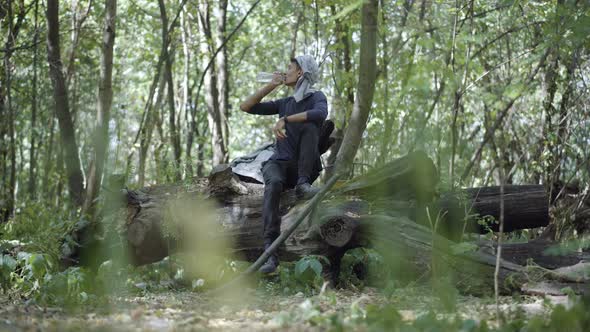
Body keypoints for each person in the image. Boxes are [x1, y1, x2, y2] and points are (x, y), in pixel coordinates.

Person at [239, 55, 328, 273]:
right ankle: (270, 253)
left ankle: (303, 184)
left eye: (290, 68)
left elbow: (320, 114)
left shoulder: (317, 96)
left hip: (302, 168)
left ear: (300, 73)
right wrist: (272, 85)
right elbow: (246, 106)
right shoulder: (285, 103)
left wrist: (286, 120)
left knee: (311, 126)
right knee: (274, 182)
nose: (285, 71)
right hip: (279, 164)